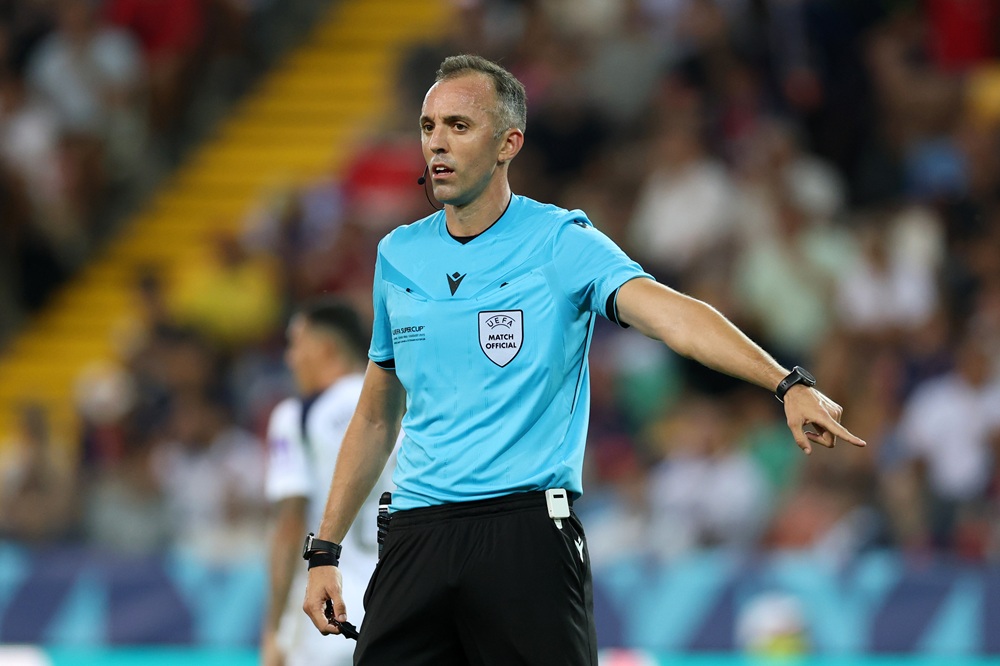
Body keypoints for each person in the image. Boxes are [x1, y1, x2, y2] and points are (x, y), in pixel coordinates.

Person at [302, 54, 866, 665]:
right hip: (415, 533)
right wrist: (326, 551)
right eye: (428, 125)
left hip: (525, 534)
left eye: (459, 126)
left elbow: (672, 314)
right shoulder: (399, 255)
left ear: (507, 143)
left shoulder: (559, 242)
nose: (436, 143)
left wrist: (787, 383)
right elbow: (377, 415)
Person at [263, 299, 394, 666]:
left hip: (329, 622)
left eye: (296, 344)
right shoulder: (404, 404)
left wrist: (274, 631)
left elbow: (289, 528)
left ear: (326, 348)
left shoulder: (298, 417)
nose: (290, 358)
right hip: (401, 611)